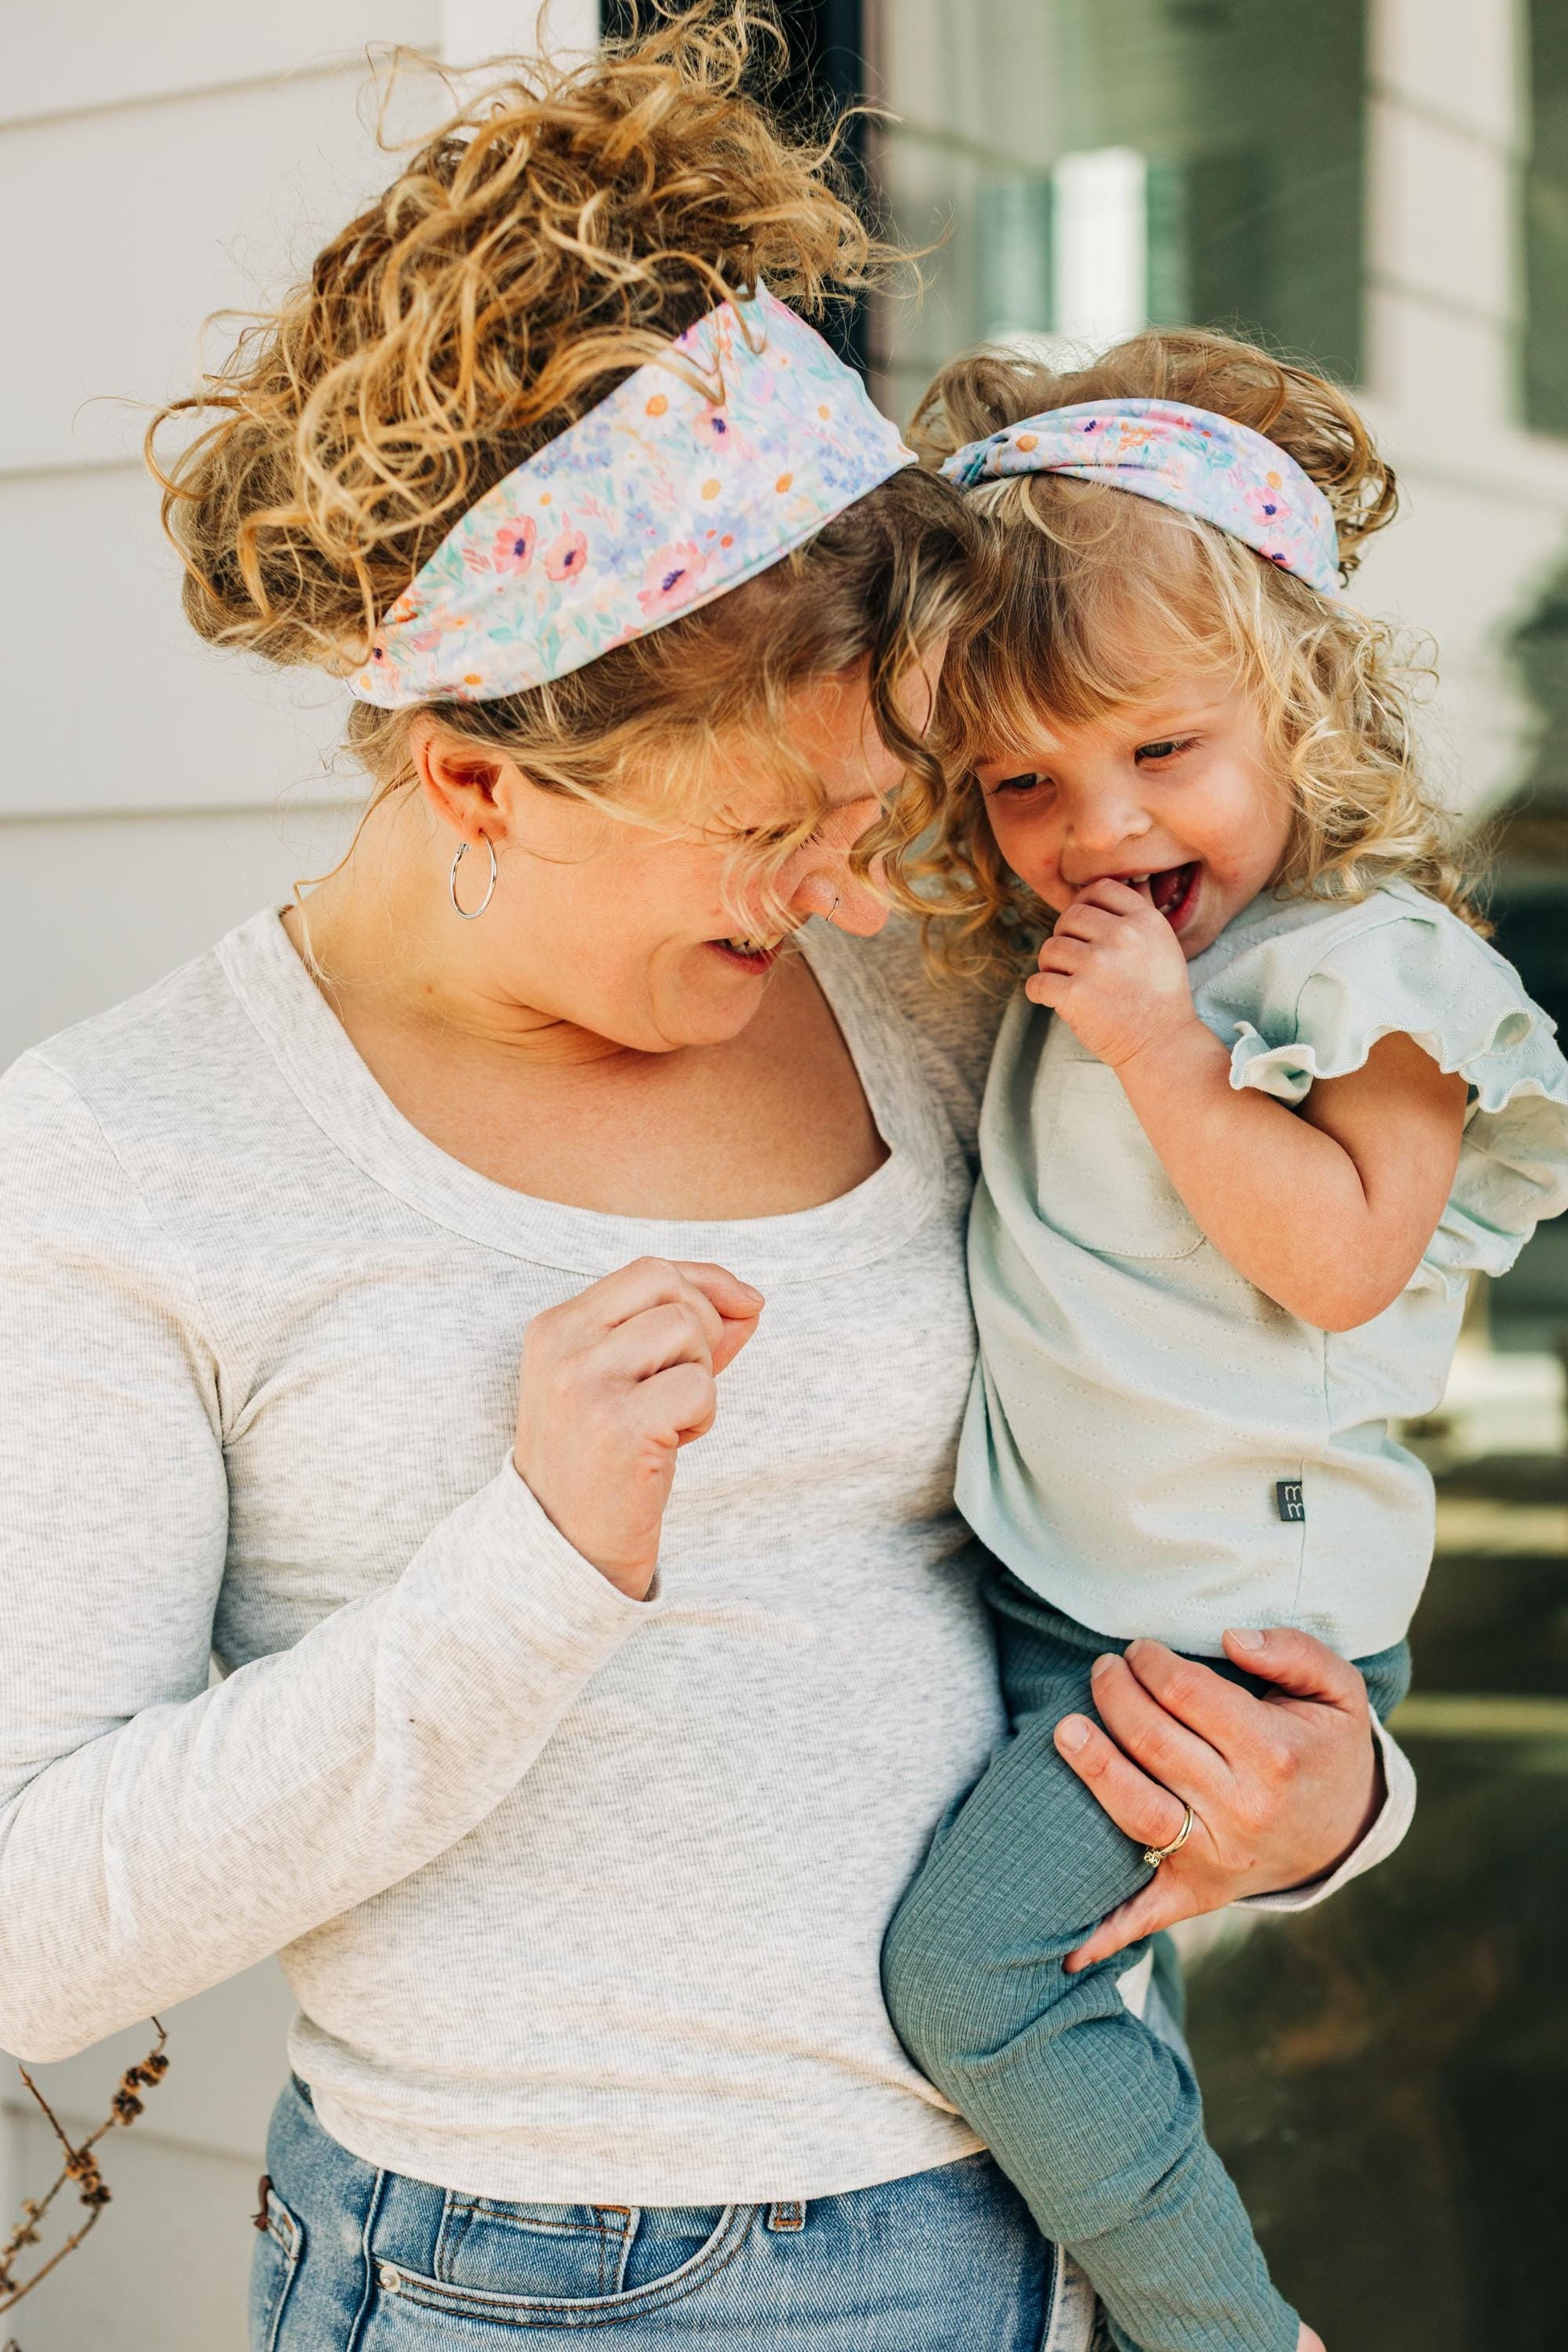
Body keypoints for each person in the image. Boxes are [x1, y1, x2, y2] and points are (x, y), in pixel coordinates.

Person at [0, 22, 1413, 2351]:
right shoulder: (135, 1150)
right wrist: (534, 1572)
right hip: (549, 2288)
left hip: (1056, 2215)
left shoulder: (944, 1010)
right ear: (473, 787)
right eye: (773, 837)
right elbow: (40, 1929)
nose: (860, 902)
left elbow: (1230, 1441)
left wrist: (1322, 1794)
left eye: (876, 815)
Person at [880, 327, 1568, 2352]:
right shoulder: (1084, 969)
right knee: (1071, 1992)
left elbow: (1345, 1254)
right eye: (1024, 782)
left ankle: (1223, 2327)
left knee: (979, 1980)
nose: (1094, 825)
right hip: (1077, 1585)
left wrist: (1173, 1057)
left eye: (1160, 751)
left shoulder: (1371, 969)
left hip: (1207, 1623)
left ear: (1301, 706)